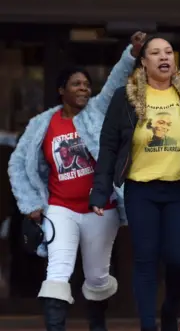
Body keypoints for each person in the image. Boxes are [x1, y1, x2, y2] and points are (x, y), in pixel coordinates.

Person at [7, 32, 144, 331]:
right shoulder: (43, 123)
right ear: (61, 91)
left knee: (97, 277)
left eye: (86, 84)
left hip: (100, 209)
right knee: (57, 272)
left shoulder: (96, 111)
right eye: (76, 84)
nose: (83, 88)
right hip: (60, 209)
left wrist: (132, 54)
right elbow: (17, 163)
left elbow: (115, 82)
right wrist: (30, 204)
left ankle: (97, 326)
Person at [89, 36, 180, 331]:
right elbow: (108, 146)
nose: (163, 57)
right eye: (155, 53)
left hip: (179, 189)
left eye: (168, 51)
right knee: (145, 260)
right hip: (140, 189)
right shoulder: (125, 97)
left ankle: (170, 310)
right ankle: (147, 325)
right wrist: (100, 191)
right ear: (144, 62)